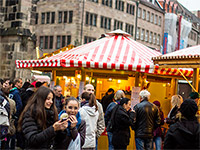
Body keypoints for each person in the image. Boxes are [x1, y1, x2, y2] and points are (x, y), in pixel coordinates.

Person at [84, 84, 105, 149]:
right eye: (89, 90)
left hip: (92, 137)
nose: (91, 92)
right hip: (80, 136)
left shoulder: (98, 105)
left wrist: (96, 135)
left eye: (93, 90)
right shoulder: (78, 103)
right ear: (84, 91)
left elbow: (101, 122)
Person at [1, 79, 16, 150]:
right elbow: (15, 111)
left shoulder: (4, 102)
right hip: (7, 126)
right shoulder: (11, 102)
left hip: (3, 126)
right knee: (6, 142)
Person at [8, 78, 23, 149]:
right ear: (16, 83)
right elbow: (19, 104)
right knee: (13, 132)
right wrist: (15, 113)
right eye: (20, 83)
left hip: (10, 114)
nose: (21, 84)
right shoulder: (16, 92)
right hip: (14, 115)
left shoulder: (11, 92)